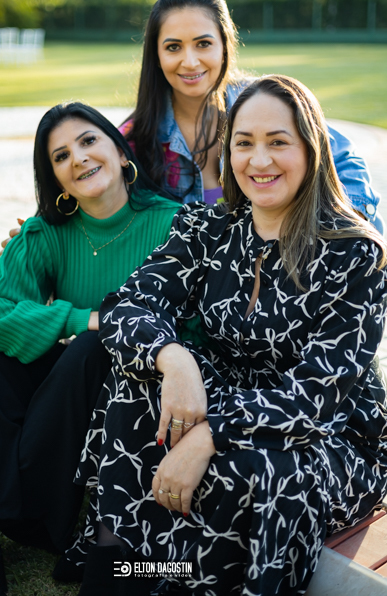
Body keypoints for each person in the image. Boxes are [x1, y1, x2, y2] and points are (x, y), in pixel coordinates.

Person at [71, 75, 387, 596]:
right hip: (226, 396)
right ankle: (117, 569)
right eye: (244, 143)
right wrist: (174, 359)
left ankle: (194, 582)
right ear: (228, 153)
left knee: (260, 465)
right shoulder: (210, 229)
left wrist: (211, 433)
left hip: (324, 438)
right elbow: (129, 306)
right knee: (137, 380)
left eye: (278, 142)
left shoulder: (355, 255)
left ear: (311, 148)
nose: (259, 160)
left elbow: (315, 397)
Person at [0, 102, 181, 595]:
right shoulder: (46, 233)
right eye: (61, 156)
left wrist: (99, 331)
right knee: (1, 353)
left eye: (88, 141)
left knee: (90, 349)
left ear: (120, 151)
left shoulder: (174, 224)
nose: (78, 158)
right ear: (56, 179)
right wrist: (81, 317)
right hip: (63, 415)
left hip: (132, 413)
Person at [119, 0, 383, 231]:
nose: (190, 62)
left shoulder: (265, 100)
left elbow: (343, 158)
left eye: (203, 44)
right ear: (156, 54)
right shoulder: (133, 140)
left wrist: (342, 232)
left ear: (225, 46)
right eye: (173, 47)